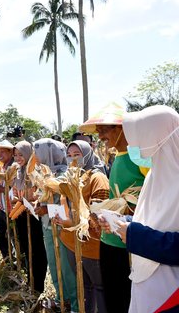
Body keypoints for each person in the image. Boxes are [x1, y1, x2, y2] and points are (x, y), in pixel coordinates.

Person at [79, 102, 148, 313]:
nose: (100, 137)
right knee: (112, 299)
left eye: (104, 130)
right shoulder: (118, 156)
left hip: (128, 241)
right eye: (98, 131)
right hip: (109, 238)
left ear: (121, 129)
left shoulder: (141, 157)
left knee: (124, 300)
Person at [118, 105, 179, 313]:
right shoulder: (154, 176)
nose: (134, 149)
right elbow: (152, 221)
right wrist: (124, 224)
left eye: (140, 143)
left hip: (172, 294)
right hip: (146, 285)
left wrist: (135, 235)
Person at [54, 140, 109, 313]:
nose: (72, 159)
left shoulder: (96, 178)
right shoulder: (70, 177)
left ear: (87, 154)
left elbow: (98, 216)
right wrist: (61, 217)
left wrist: (72, 222)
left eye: (76, 155)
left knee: (99, 286)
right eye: (69, 156)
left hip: (92, 244)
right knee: (84, 286)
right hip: (72, 241)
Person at [32, 138, 78, 312]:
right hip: (48, 227)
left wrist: (47, 210)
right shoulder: (44, 174)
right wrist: (39, 205)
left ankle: (75, 304)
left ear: (48, 153)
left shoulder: (65, 176)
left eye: (38, 152)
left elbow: (71, 208)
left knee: (67, 270)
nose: (35, 156)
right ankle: (61, 299)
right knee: (54, 265)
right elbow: (42, 199)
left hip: (63, 229)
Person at [11, 141, 48, 293]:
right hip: (21, 216)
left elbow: (42, 194)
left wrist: (31, 202)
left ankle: (38, 284)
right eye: (15, 155)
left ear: (28, 154)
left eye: (21, 154)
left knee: (37, 250)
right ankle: (30, 280)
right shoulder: (17, 172)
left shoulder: (36, 172)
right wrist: (17, 200)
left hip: (34, 216)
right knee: (26, 249)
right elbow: (14, 193)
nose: (18, 158)